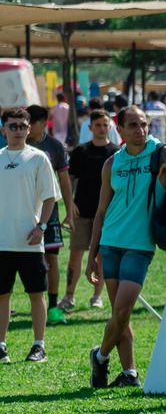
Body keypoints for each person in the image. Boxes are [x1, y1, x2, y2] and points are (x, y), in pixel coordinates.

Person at [86, 106, 166, 388]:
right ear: (120, 130)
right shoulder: (112, 163)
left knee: (121, 310)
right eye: (133, 125)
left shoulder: (161, 153)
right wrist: (92, 255)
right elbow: (101, 212)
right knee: (121, 314)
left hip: (140, 246)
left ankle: (100, 357)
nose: (140, 130)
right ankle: (129, 373)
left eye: (144, 124)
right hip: (109, 244)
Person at [0, 109, 60, 364]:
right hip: (2, 241)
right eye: (13, 126)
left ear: (29, 128)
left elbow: (50, 197)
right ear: (3, 129)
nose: (18, 131)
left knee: (36, 294)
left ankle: (39, 346)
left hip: (31, 242)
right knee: (2, 295)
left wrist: (41, 227)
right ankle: (1, 346)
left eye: (22, 126)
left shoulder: (38, 158)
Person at [62, 108, 117, 315]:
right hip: (81, 213)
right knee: (75, 256)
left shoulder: (116, 152)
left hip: (105, 215)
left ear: (110, 127)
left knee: (102, 257)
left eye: (105, 125)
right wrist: (70, 203)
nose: (102, 129)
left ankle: (97, 296)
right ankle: (69, 295)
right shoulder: (80, 151)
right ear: (90, 127)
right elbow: (69, 179)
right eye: (98, 125)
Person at [24, 104, 75, 320]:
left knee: (51, 258)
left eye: (31, 123)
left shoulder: (54, 147)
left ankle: (53, 307)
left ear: (44, 123)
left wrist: (69, 212)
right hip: (24, 211)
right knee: (23, 259)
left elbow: (64, 181)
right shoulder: (17, 144)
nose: (26, 127)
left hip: (50, 212)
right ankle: (34, 303)